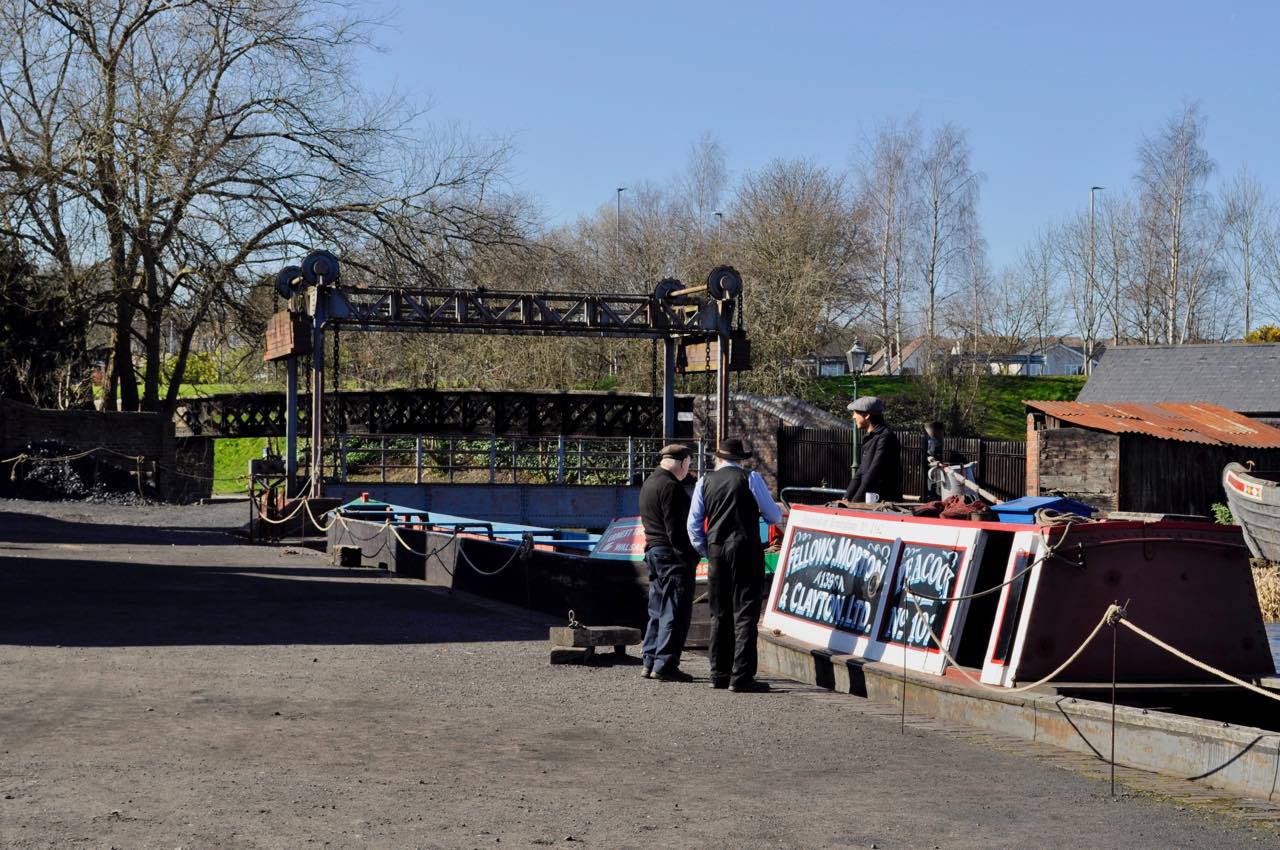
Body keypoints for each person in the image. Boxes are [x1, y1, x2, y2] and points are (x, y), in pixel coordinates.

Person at [687, 438, 783, 693]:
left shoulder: (703, 482)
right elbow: (774, 515)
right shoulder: (751, 479)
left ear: (718, 458)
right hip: (746, 548)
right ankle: (741, 676)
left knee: (719, 613)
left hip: (717, 550)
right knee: (745, 613)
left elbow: (693, 525)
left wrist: (706, 550)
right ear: (741, 459)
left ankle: (718, 673)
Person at [638, 443, 700, 682]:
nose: (689, 470)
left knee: (656, 609)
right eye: (689, 465)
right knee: (675, 610)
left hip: (653, 552)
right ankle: (666, 665)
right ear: (683, 462)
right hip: (671, 555)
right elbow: (677, 531)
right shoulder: (671, 487)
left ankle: (649, 660)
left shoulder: (649, 483)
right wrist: (691, 558)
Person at [843, 396, 903, 504]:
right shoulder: (871, 437)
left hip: (882, 502)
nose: (853, 417)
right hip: (870, 499)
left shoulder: (885, 437)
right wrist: (847, 497)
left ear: (866, 415)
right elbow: (861, 471)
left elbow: (874, 472)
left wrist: (854, 502)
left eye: (855, 413)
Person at [924, 420, 946, 500]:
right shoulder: (934, 443)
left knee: (935, 485)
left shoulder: (931, 442)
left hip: (937, 468)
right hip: (934, 468)